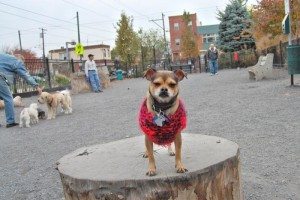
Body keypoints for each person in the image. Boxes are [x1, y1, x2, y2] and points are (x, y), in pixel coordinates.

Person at [0, 53, 42, 128]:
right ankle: (10, 122)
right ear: (21, 60)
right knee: (8, 98)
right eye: (23, 64)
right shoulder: (17, 62)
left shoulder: (5, 57)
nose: (23, 66)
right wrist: (36, 86)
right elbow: (26, 76)